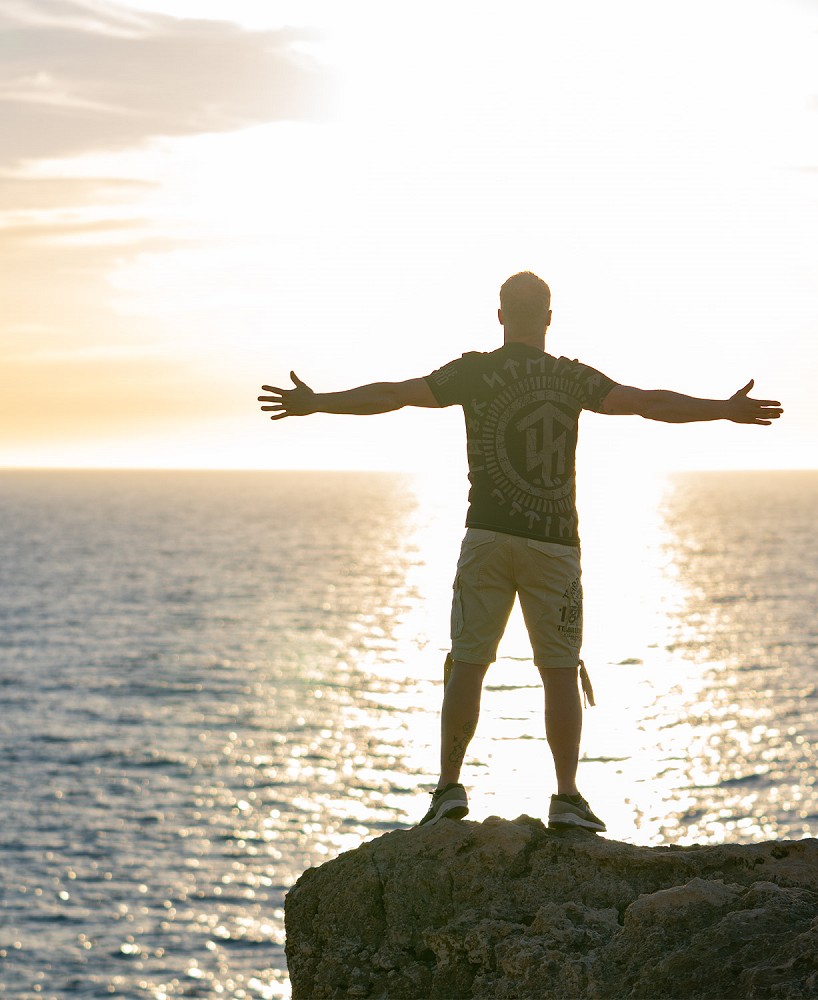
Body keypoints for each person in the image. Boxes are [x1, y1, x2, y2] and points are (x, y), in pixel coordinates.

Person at [259, 271, 782, 833]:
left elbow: (393, 396)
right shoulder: (570, 378)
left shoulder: (474, 372)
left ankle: (448, 792)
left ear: (502, 315)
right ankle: (566, 797)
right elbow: (650, 403)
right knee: (559, 671)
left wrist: (316, 403)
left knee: (467, 663)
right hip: (555, 545)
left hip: (486, 537)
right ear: (550, 318)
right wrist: (723, 410)